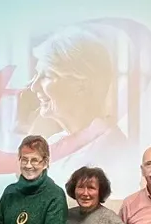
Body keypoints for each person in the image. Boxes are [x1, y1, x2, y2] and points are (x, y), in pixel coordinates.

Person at [25, 24, 136, 180]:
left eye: (47, 76)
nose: (34, 87)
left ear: (81, 85)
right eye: (37, 75)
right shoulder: (54, 143)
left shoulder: (110, 150)